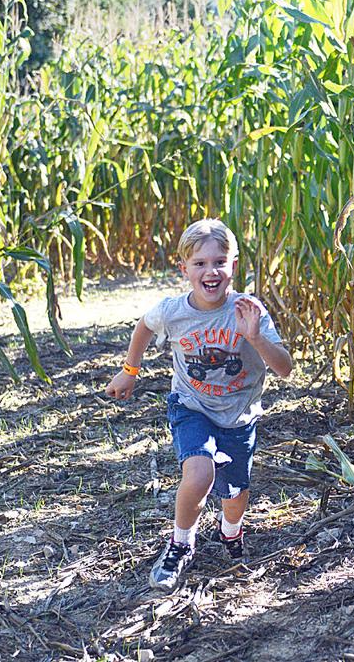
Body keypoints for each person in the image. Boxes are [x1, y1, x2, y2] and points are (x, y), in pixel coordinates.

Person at [105, 219, 293, 590]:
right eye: (200, 264)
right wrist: (129, 370)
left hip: (238, 416)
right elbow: (144, 326)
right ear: (185, 269)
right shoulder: (174, 311)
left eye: (220, 262)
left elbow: (284, 368)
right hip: (190, 406)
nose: (211, 271)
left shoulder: (248, 310)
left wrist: (254, 338)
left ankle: (231, 532)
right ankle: (180, 543)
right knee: (200, 474)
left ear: (233, 266)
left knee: (235, 493)